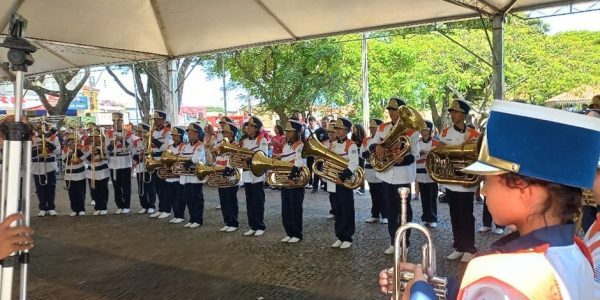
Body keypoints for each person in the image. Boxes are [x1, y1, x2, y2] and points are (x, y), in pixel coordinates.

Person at [379, 100, 600, 299]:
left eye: (490, 181)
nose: (483, 191)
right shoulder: (580, 252)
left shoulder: (504, 275)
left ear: (526, 190)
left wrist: (419, 295)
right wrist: (438, 286)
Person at [370, 97, 420, 255]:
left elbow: (415, 155)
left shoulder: (412, 131)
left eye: (394, 110)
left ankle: (406, 242)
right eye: (390, 110)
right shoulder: (382, 128)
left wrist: (403, 158)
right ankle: (393, 240)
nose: (391, 113)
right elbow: (371, 143)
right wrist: (376, 146)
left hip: (403, 175)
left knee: (405, 211)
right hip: (386, 175)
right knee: (391, 210)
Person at [439, 99, 480, 262]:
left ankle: (470, 247)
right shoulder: (444, 132)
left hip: (465, 180)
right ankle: (459, 246)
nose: (452, 114)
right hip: (450, 179)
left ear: (463, 114)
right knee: (454, 214)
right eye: (451, 112)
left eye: (455, 112)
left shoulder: (475, 135)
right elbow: (440, 153)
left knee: (466, 215)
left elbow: (477, 158)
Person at [329, 117, 359, 250]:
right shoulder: (333, 143)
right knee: (337, 208)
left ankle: (347, 236)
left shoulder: (351, 144)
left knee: (346, 207)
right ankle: (339, 235)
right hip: (333, 179)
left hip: (344, 180)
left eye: (339, 129)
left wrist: (342, 177)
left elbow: (353, 164)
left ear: (346, 130)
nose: (337, 131)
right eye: (337, 128)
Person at [277, 120, 306, 243]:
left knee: (295, 208)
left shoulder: (300, 145)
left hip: (295, 179)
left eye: (289, 131)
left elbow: (299, 162)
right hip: (285, 179)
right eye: (286, 131)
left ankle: (297, 233)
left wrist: (291, 177)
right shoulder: (286, 145)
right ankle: (289, 232)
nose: (287, 133)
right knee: (286, 208)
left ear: (296, 133)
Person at [240, 116, 269, 236]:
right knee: (249, 201)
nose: (248, 127)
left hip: (257, 175)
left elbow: (263, 156)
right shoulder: (244, 141)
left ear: (256, 128)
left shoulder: (262, 140)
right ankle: (252, 225)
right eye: (248, 125)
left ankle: (260, 226)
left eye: (251, 126)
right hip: (247, 174)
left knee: (258, 201)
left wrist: (248, 160)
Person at [177, 123, 207, 228]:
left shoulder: (200, 145)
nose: (189, 134)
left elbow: (196, 159)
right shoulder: (186, 146)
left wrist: (185, 162)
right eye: (188, 132)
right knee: (189, 198)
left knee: (197, 198)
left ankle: (198, 220)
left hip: (195, 176)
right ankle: (192, 218)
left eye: (191, 133)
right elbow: (180, 157)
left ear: (197, 134)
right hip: (186, 176)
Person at [106, 112, 134, 214]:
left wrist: (121, 140)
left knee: (126, 185)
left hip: (125, 162)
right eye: (114, 121)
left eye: (118, 121)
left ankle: (126, 205)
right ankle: (119, 205)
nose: (116, 123)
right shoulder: (109, 133)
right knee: (116, 186)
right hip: (114, 163)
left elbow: (131, 148)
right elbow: (106, 150)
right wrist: (112, 144)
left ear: (122, 121)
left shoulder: (129, 134)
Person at [32, 121, 61, 217]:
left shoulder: (53, 137)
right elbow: (29, 153)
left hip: (50, 166)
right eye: (39, 128)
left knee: (51, 187)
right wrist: (39, 148)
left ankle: (51, 207)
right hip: (37, 167)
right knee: (40, 188)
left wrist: (47, 143)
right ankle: (43, 208)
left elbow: (58, 151)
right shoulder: (32, 138)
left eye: (43, 128)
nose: (41, 130)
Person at [149, 111, 174, 219]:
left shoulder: (168, 132)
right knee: (157, 187)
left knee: (164, 187)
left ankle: (167, 209)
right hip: (154, 160)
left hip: (163, 161)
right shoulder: (153, 131)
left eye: (157, 119)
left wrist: (153, 140)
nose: (155, 121)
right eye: (155, 119)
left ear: (163, 120)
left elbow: (165, 147)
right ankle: (161, 208)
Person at [362, 118, 386, 224]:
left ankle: (385, 215)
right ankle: (375, 214)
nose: (372, 130)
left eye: (374, 128)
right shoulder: (366, 140)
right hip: (370, 168)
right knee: (373, 193)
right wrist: (370, 155)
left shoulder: (383, 139)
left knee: (383, 193)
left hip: (381, 168)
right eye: (371, 128)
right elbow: (362, 153)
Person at [218, 123, 241, 232]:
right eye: (224, 132)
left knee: (231, 199)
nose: (224, 134)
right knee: (223, 200)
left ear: (232, 134)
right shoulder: (221, 145)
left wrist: (226, 172)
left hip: (231, 175)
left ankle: (233, 222)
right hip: (220, 174)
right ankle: (227, 221)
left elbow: (234, 160)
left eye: (226, 132)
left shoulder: (235, 145)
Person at [416, 120, 438, 228]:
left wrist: (426, 154)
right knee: (424, 196)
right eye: (421, 129)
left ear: (429, 130)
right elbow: (415, 156)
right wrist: (422, 154)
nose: (422, 131)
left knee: (432, 196)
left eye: (424, 129)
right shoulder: (417, 142)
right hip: (420, 172)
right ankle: (425, 217)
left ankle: (433, 218)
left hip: (432, 173)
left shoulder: (436, 142)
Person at [84, 128, 110, 216]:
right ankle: (97, 207)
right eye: (93, 137)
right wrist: (92, 153)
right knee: (94, 190)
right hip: (92, 171)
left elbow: (108, 157)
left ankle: (103, 207)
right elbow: (87, 161)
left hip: (103, 171)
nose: (95, 139)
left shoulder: (105, 146)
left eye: (97, 137)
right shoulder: (88, 147)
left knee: (103, 190)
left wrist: (99, 151)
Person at [132, 123, 156, 214]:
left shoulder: (151, 142)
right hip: (139, 167)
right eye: (138, 131)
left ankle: (151, 205)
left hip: (148, 167)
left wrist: (145, 154)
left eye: (141, 131)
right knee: (141, 188)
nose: (138, 133)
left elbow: (154, 153)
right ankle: (144, 205)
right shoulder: (137, 142)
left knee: (150, 188)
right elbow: (134, 154)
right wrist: (139, 157)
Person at [163, 127, 186, 223]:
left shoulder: (184, 146)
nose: (173, 137)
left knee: (179, 197)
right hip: (170, 176)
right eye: (173, 135)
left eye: (175, 135)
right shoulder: (170, 147)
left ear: (180, 136)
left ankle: (180, 215)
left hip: (178, 176)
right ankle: (176, 214)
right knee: (171, 196)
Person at [62, 131, 87, 216]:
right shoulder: (65, 149)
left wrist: (77, 150)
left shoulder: (81, 148)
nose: (72, 142)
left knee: (80, 192)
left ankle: (81, 209)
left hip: (80, 174)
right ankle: (74, 209)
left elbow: (84, 158)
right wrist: (71, 153)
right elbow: (65, 161)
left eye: (74, 140)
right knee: (72, 193)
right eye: (70, 140)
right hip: (69, 175)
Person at [311, 117, 330, 192]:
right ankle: (315, 187)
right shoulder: (317, 131)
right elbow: (314, 142)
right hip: (319, 153)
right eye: (323, 122)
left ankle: (326, 186)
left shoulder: (331, 131)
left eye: (325, 122)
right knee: (317, 170)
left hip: (328, 154)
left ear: (328, 122)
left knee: (327, 170)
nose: (324, 124)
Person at [352, 123, 367, 195]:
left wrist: (355, 143)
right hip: (355, 153)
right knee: (356, 170)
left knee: (361, 170)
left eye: (354, 128)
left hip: (360, 153)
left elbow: (363, 144)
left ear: (358, 128)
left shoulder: (362, 135)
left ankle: (362, 188)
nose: (353, 129)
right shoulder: (353, 135)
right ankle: (357, 185)